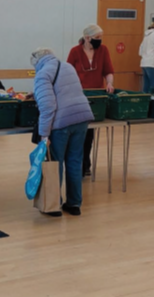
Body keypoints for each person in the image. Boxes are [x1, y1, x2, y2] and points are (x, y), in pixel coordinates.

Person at [31, 48, 95, 216]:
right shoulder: (67, 67)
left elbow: (48, 107)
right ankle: (74, 205)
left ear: (37, 62)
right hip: (81, 119)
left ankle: (53, 206)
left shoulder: (42, 74)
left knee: (55, 163)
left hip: (61, 123)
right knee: (75, 161)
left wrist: (44, 135)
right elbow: (66, 92)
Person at [67, 24, 114, 177]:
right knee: (79, 132)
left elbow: (108, 70)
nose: (100, 41)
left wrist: (109, 83)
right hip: (78, 96)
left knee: (89, 132)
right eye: (97, 38)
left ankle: (85, 164)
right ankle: (78, 164)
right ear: (87, 38)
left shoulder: (103, 50)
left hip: (96, 96)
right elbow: (68, 73)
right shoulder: (75, 51)